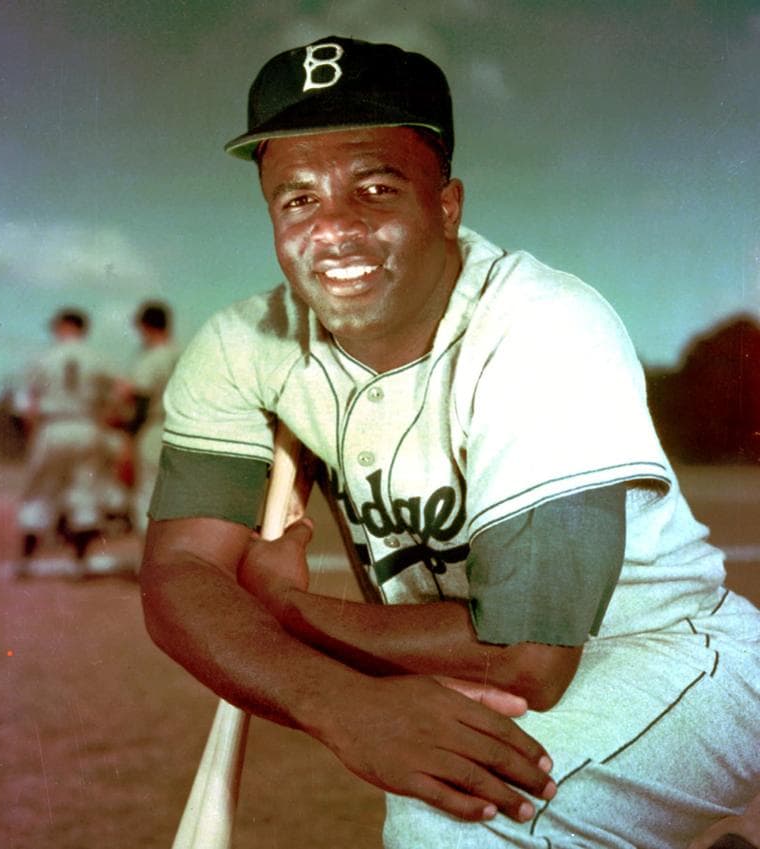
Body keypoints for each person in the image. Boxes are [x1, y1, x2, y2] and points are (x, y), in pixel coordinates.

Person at [140, 35, 760, 848]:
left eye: (373, 188)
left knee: (453, 824)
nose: (332, 229)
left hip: (669, 653)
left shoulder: (540, 326)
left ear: (446, 205)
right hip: (470, 663)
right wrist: (332, 698)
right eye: (297, 199)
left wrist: (289, 605)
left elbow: (528, 656)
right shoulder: (245, 346)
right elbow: (179, 571)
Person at [16, 308, 118, 577]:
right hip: (87, 425)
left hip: (53, 425)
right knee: (85, 491)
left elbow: (28, 405)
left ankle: (26, 562)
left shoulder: (45, 356)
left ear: (63, 326)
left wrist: (34, 436)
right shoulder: (98, 358)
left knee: (41, 491)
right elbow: (118, 393)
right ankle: (79, 563)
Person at [115, 300, 179, 535]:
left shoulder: (151, 357)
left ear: (145, 327)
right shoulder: (182, 353)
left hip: (154, 428)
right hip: (183, 429)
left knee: (146, 497)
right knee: (174, 499)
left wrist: (128, 439)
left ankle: (148, 564)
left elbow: (140, 403)